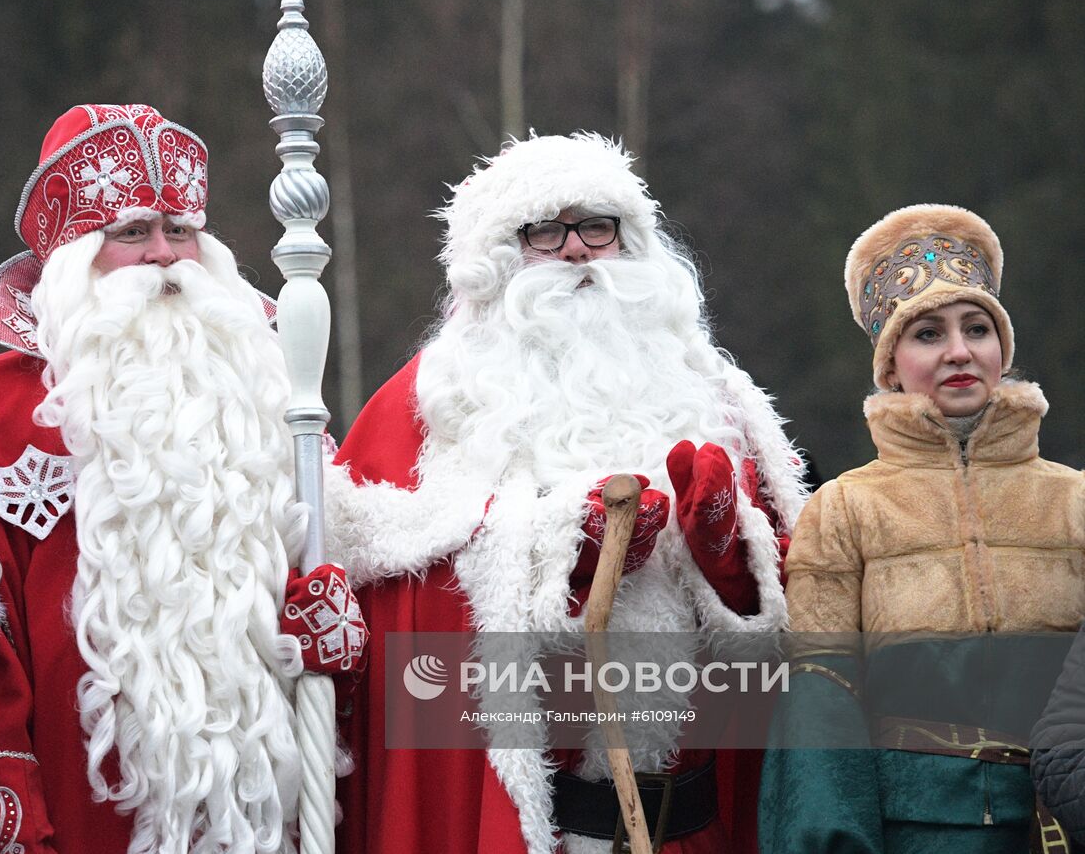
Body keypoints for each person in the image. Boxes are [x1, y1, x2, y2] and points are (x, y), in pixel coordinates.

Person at [323, 132, 808, 854]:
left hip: (697, 828)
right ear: (497, 259)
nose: (577, 250)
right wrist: (557, 551)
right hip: (531, 830)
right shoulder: (431, 402)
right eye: (545, 231)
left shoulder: (720, 400)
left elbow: (794, 624)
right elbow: (393, 612)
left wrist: (728, 555)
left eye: (597, 226)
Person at [0, 103, 365, 854]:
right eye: (130, 232)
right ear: (71, 260)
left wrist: (335, 637)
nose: (164, 254)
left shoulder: (271, 402)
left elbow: (309, 618)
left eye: (180, 228)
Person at [759, 204, 1085, 852]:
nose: (959, 351)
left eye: (977, 328)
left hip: (1060, 826)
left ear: (1002, 347)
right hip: (914, 830)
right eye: (928, 333)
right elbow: (822, 696)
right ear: (891, 363)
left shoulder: (1075, 500)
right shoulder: (846, 509)